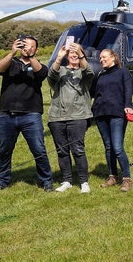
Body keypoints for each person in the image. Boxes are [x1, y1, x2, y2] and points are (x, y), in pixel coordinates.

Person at [0, 35, 54, 194]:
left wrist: (30, 57)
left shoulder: (39, 65)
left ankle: (46, 181)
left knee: (38, 149)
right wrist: (11, 53)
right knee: (4, 150)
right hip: (7, 115)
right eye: (25, 45)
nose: (27, 48)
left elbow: (40, 74)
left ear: (36, 50)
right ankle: (2, 181)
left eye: (31, 46)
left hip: (31, 115)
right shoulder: (12, 62)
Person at [47, 43, 94, 193]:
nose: (73, 55)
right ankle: (66, 180)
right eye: (71, 54)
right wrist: (59, 57)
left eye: (77, 54)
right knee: (62, 151)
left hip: (78, 116)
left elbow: (90, 72)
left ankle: (83, 182)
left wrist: (80, 53)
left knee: (78, 149)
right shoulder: (60, 71)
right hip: (57, 117)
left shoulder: (84, 74)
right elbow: (51, 76)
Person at [91, 49, 133, 192]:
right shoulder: (101, 75)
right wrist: (92, 114)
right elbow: (97, 95)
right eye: (100, 58)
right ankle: (112, 176)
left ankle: (127, 179)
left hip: (117, 114)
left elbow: (128, 90)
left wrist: (128, 105)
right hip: (101, 114)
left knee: (117, 147)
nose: (101, 60)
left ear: (113, 58)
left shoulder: (123, 72)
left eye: (104, 57)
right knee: (108, 147)